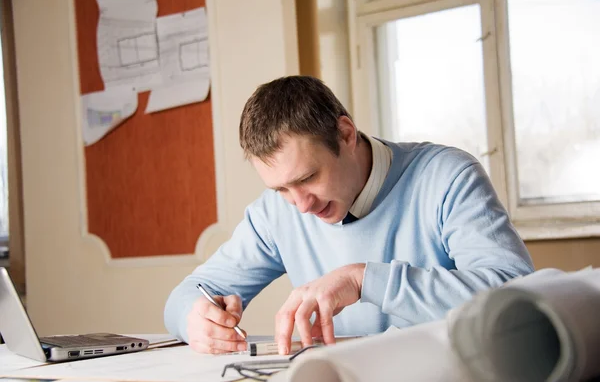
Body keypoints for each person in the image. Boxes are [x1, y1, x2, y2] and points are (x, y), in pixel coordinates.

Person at [164, 76, 534, 355]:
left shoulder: (447, 176)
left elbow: (520, 299)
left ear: (345, 134)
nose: (301, 205)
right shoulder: (276, 213)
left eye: (308, 177)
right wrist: (194, 319)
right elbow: (186, 296)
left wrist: (363, 279)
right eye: (280, 188)